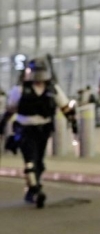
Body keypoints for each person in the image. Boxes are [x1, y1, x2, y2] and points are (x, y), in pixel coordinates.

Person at [4, 58, 76, 207]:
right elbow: (10, 109)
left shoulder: (52, 89)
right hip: (25, 128)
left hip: (43, 129)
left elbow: (64, 106)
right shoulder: (20, 90)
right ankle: (36, 189)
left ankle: (32, 188)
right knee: (30, 160)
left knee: (39, 162)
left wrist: (73, 121)